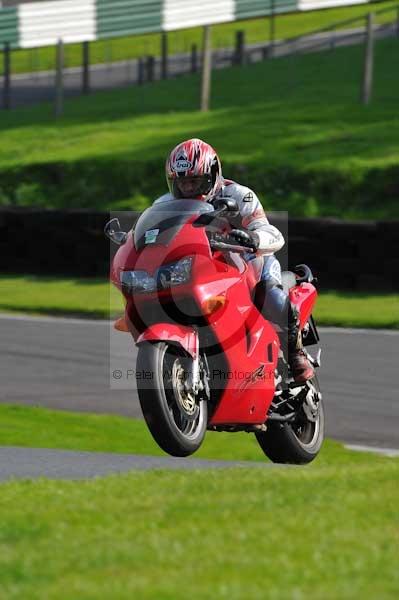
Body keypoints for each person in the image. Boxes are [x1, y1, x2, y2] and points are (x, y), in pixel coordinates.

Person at [155, 138, 314, 383]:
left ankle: (296, 353)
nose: (187, 188)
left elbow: (273, 234)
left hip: (249, 262)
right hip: (201, 268)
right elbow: (147, 234)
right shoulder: (164, 204)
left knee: (271, 297)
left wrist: (252, 237)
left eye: (194, 181)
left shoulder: (239, 195)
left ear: (212, 175)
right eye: (182, 182)